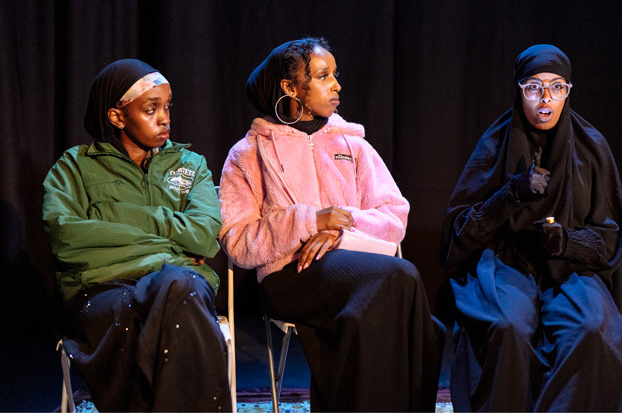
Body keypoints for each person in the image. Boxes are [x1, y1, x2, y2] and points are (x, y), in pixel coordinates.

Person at [218, 37, 442, 411]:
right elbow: (238, 242)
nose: (336, 85)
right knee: (402, 285)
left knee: (382, 315)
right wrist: (308, 220)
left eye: (335, 75)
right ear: (291, 88)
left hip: (360, 268)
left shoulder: (352, 144)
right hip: (291, 274)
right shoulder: (249, 153)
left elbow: (394, 214)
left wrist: (341, 227)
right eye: (323, 76)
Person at [441, 44, 622, 412]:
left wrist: (566, 242)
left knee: (591, 328)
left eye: (556, 87)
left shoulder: (591, 148)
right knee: (507, 325)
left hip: (569, 268)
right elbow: (459, 231)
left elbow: (609, 238)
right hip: (505, 261)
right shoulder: (496, 143)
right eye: (533, 87)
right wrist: (511, 195)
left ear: (568, 91)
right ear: (519, 89)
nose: (545, 98)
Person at [42, 59, 231, 411]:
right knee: (132, 312)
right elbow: (66, 238)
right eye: (151, 108)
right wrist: (166, 248)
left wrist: (112, 218)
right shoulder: (75, 166)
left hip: (179, 282)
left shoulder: (191, 165)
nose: (165, 118)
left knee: (179, 287)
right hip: (102, 289)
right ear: (117, 116)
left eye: (167, 106)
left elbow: (205, 237)